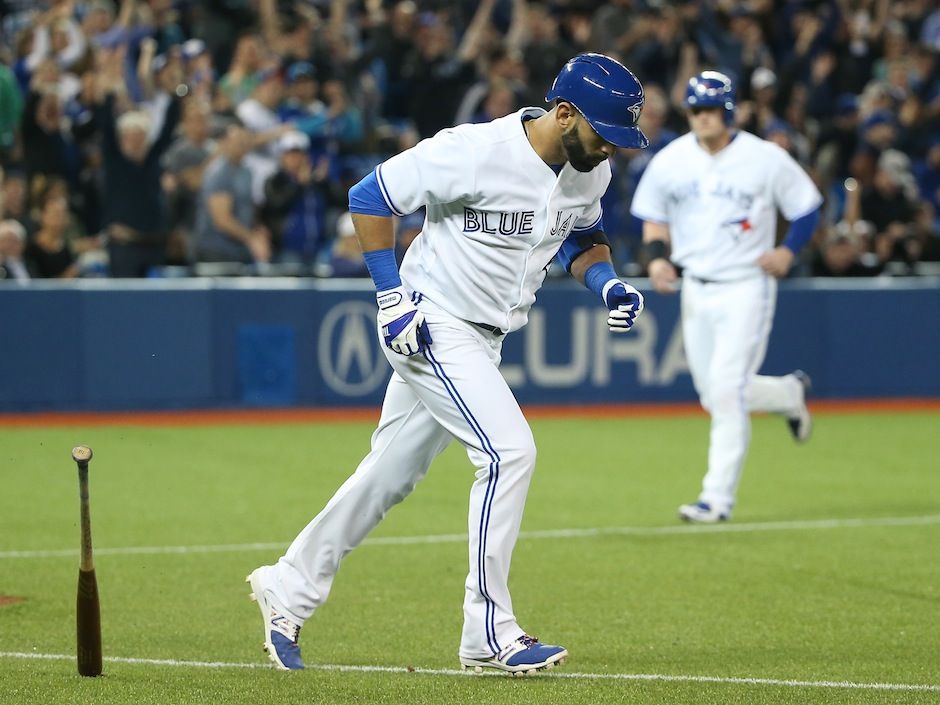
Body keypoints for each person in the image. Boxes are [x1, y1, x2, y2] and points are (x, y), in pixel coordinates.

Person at [247, 53, 649, 674]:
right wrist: (389, 297)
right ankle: (488, 633)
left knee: (389, 476)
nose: (611, 151)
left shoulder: (586, 171)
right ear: (564, 113)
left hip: (487, 336)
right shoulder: (474, 150)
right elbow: (370, 195)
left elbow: (580, 237)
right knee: (508, 451)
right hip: (430, 321)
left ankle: (288, 584)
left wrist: (607, 285)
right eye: (605, 134)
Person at [630, 71, 822, 524]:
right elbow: (654, 220)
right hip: (695, 285)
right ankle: (789, 393)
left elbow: (807, 205)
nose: (703, 117)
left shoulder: (763, 157)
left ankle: (715, 499)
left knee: (727, 389)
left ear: (729, 111)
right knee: (714, 394)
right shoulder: (672, 159)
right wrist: (657, 260)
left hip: (745, 284)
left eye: (711, 109)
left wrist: (788, 250)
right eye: (696, 109)